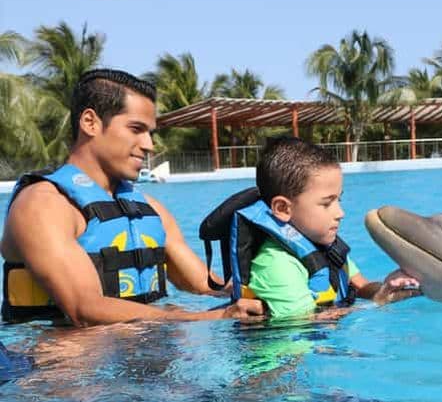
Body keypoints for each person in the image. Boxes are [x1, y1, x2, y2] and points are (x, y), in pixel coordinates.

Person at [1, 68, 264, 326]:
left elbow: (206, 285)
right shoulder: (43, 205)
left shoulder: (148, 208)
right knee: (74, 347)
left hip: (139, 350)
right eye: (136, 129)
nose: (149, 144)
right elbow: (84, 308)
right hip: (57, 359)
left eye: (150, 133)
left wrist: (264, 292)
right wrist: (203, 317)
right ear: (90, 122)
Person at [209, 137, 419, 320]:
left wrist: (386, 289)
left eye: (339, 199)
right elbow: (302, 324)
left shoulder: (326, 248)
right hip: (278, 361)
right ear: (283, 209)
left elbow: (362, 287)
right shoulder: (277, 264)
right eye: (326, 203)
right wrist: (376, 304)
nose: (340, 213)